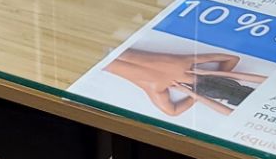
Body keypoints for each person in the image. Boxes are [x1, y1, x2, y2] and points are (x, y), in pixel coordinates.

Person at [101, 47, 267, 116]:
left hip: (109, 48)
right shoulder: (157, 88)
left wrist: (213, 73)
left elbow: (232, 58)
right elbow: (173, 112)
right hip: (101, 60)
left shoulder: (186, 61)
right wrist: (193, 95)